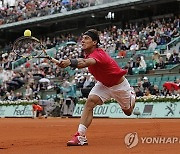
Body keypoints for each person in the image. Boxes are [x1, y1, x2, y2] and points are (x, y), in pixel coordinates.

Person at [56, 29, 136, 146]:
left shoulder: (99, 54)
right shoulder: (87, 54)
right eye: (82, 38)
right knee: (90, 101)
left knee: (128, 111)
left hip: (119, 86)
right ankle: (80, 136)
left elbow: (84, 63)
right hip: (103, 84)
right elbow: (81, 60)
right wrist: (69, 62)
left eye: (86, 38)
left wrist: (69, 62)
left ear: (95, 42)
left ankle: (132, 95)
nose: (82, 41)